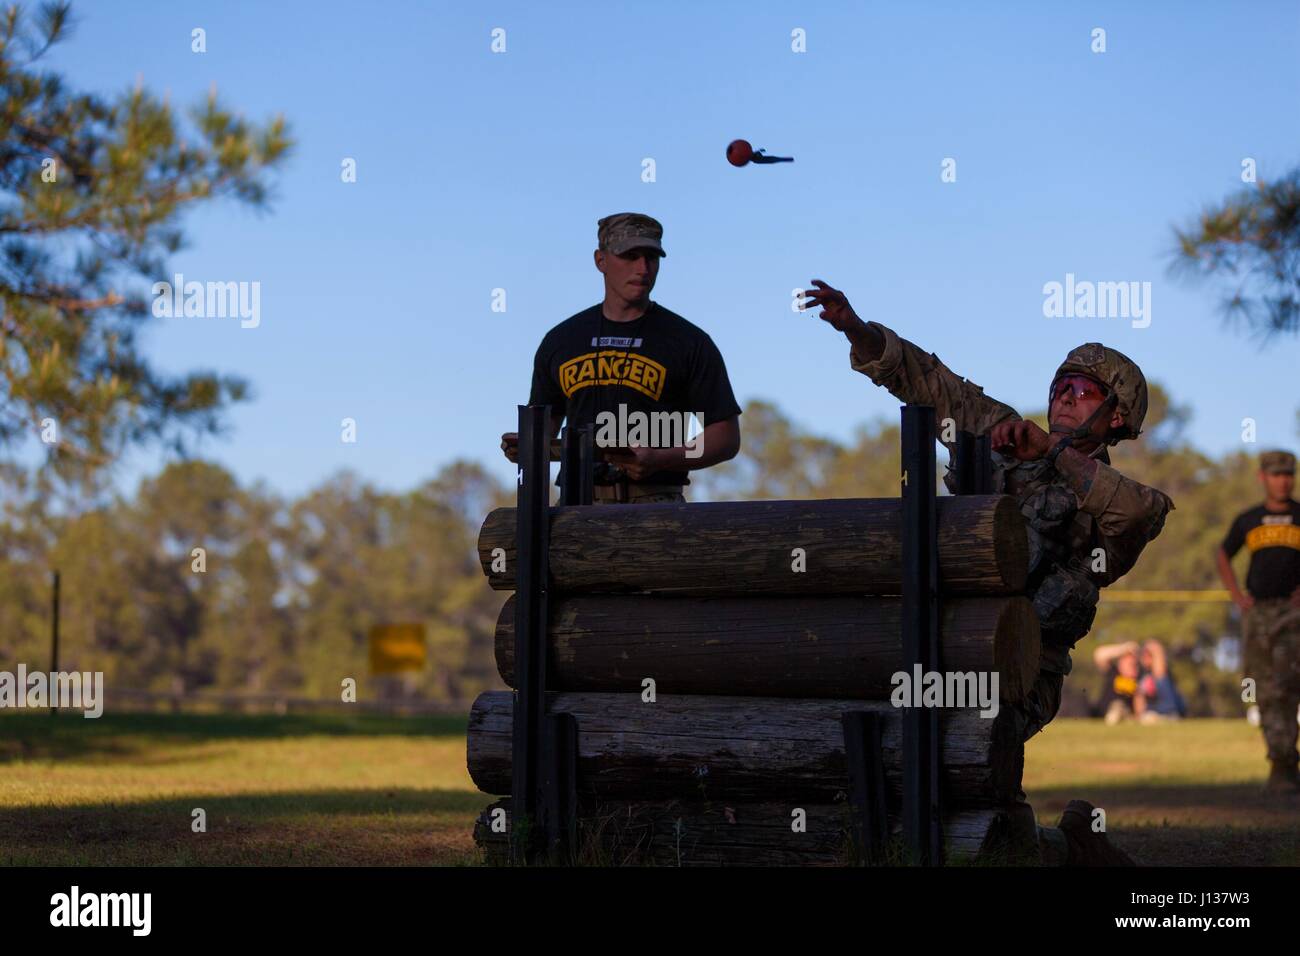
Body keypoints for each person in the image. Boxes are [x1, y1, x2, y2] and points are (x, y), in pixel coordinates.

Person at [803, 278, 1175, 866]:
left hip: (1022, 670)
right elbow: (928, 381)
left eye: (1082, 390)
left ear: (1118, 417)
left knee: (965, 786)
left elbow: (1135, 512)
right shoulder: (999, 429)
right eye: (1059, 385)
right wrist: (855, 327)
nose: (1063, 397)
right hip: (941, 647)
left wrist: (1047, 452)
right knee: (912, 782)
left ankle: (1070, 850)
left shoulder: (1121, 501)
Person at [501, 213, 741, 504]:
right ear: (600, 260)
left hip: (656, 506)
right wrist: (526, 446)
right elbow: (546, 424)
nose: (643, 268)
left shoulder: (688, 341)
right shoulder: (562, 340)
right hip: (576, 506)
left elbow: (726, 437)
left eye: (652, 257)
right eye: (630, 256)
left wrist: (662, 458)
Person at [1216, 449, 1300, 792]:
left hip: (1292, 614)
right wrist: (1237, 595)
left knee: (1289, 685)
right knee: (1264, 689)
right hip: (1258, 613)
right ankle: (1280, 764)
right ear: (1262, 478)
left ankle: (1286, 762)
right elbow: (1223, 553)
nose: (1283, 480)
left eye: (1288, 474)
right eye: (1276, 474)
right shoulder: (1248, 519)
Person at [1135, 639, 1186, 723]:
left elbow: (1157, 652)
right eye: (1144, 655)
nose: (1145, 657)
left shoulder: (1161, 673)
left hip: (1168, 713)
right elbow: (1139, 698)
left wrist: (1149, 646)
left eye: (1149, 655)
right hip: (1150, 713)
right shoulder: (1141, 675)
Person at [1093, 641, 1142, 724]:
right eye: (1130, 664)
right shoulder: (1113, 672)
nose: (1134, 667)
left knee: (1120, 707)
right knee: (1117, 706)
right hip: (1104, 712)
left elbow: (1139, 704)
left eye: (1135, 664)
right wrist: (1124, 648)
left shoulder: (1137, 680)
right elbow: (1099, 654)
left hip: (1126, 714)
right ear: (1121, 662)